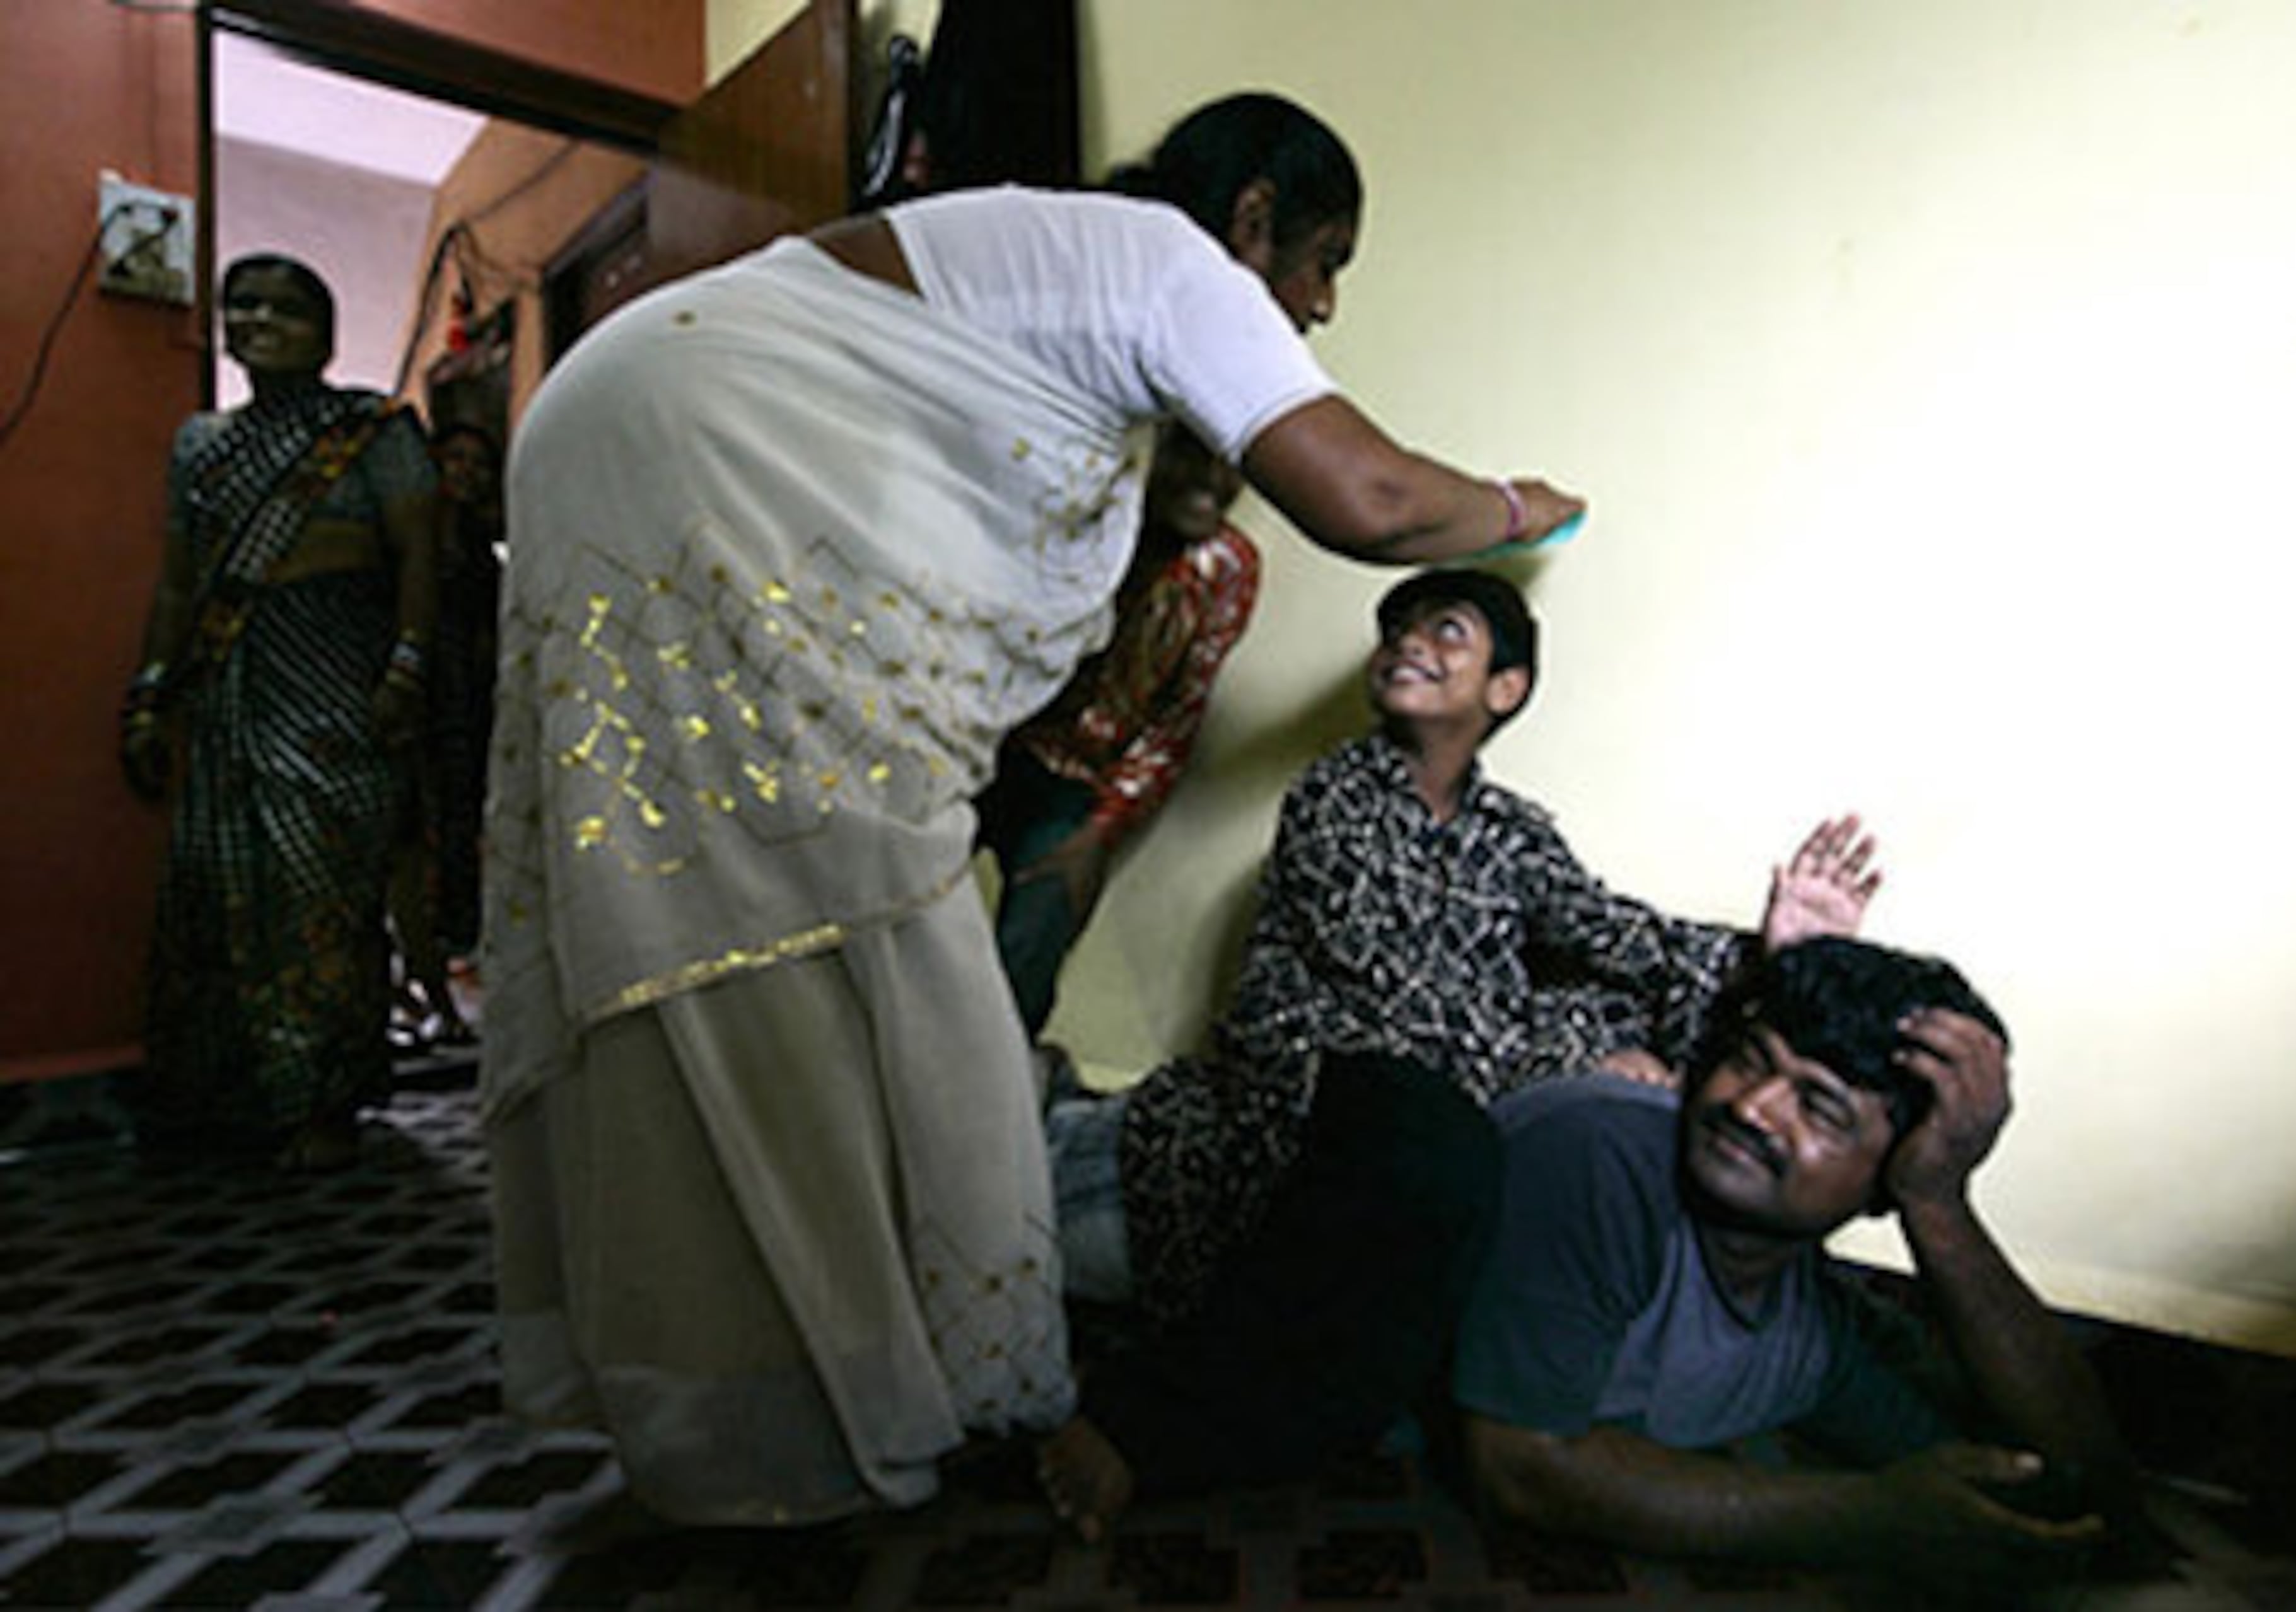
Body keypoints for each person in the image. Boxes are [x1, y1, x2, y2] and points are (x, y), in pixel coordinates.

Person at [481, 92, 1585, 1528]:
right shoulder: (1167, 259)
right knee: (822, 928)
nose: (1312, 308)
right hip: (693, 445)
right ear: (1252, 214)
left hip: (617, 415)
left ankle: (762, 1409)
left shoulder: (1048, 261)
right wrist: (1519, 505)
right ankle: (831, 1415)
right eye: (1321, 260)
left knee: (728, 922)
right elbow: (1365, 498)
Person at [1035, 568, 1879, 1537]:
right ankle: (1138, 1420)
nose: (1407, 643)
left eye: (1447, 630)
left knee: (1568, 1061)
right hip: (1257, 1143)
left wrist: (1768, 958)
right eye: (1395, 628)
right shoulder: (1338, 798)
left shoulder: (1514, 836)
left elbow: (1623, 943)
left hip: (1402, 1171)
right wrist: (1580, 1059)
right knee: (958, 1198)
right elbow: (1405, 1009)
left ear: (1505, 689)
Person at [1454, 936, 2140, 1584]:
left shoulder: (1809, 1329)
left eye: (1820, 1107)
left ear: (1889, 1177)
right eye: (1751, 1060)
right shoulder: (1602, 1152)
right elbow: (1518, 1465)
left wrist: (1938, 1201)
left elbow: (2077, 1486)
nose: (1752, 1107)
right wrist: (1866, 1517)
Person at [119, 252, 438, 1172]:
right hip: (227, 697)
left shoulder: (376, 431)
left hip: (337, 693)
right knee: (224, 902)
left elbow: (417, 558)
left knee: (323, 903)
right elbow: (180, 585)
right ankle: (233, 1099)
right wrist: (149, 693)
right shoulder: (201, 445)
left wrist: (406, 670)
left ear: (325, 331)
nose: (259, 321)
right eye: (242, 306)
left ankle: (327, 1101)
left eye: (283, 308)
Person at [976, 420, 1258, 1036]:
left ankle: (985, 1093)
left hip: (1075, 778)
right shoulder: (1078, 515)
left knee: (1041, 923)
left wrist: (1102, 828)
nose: (1212, 479)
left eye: (1231, 462)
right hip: (979, 741)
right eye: (1190, 453)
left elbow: (1177, 720)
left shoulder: (1224, 567)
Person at [388, 422, 503, 1049]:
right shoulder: (411, 537)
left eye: (478, 462)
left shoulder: (477, 545)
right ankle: (424, 991)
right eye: (454, 458)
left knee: (458, 840)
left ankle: (440, 986)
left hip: (467, 709)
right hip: (419, 708)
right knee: (412, 849)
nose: (466, 472)